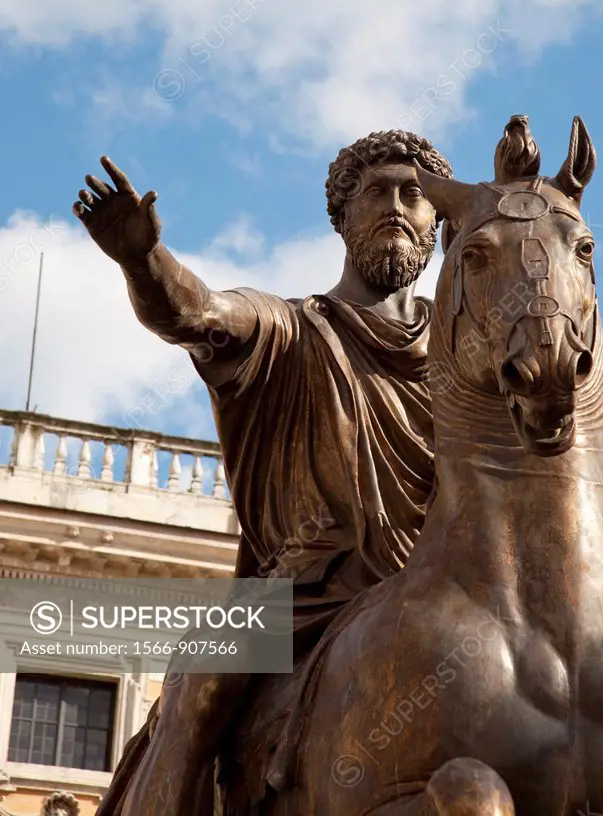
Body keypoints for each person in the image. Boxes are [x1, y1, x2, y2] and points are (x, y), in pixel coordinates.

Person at [73, 129, 452, 816]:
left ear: (440, 223)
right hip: (301, 596)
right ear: (343, 216)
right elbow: (197, 312)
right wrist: (144, 260)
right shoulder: (289, 327)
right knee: (205, 685)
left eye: (416, 196)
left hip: (443, 596)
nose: (398, 206)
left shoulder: (473, 367)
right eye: (376, 192)